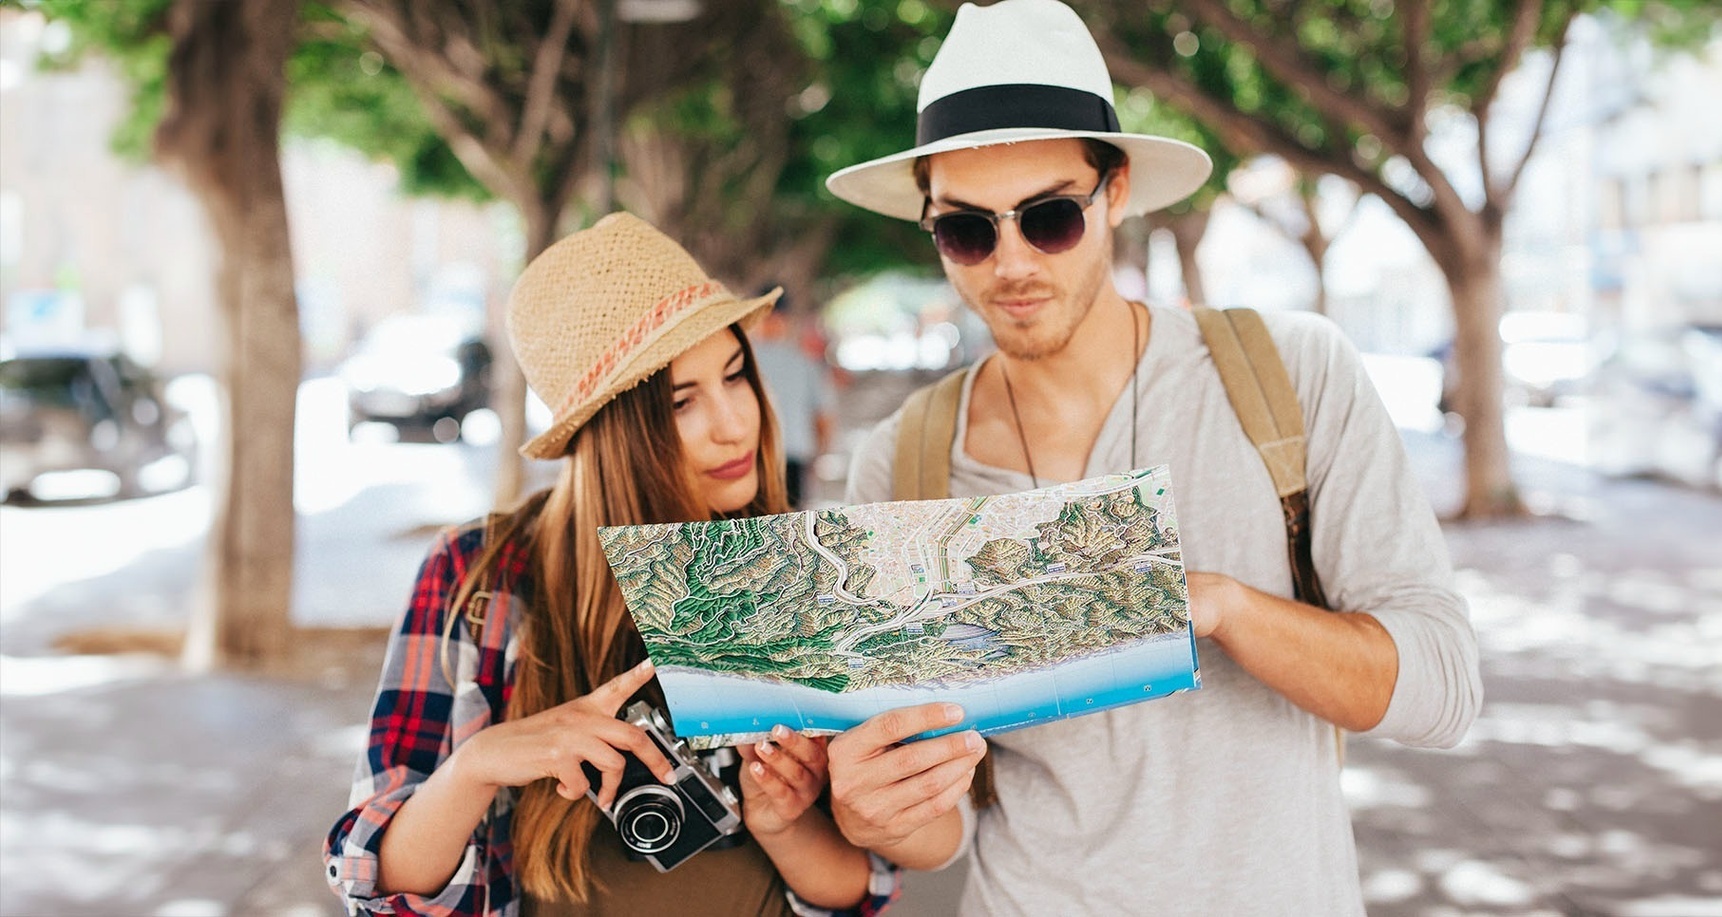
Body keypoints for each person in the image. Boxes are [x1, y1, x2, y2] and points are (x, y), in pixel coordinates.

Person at [819, 1, 1482, 913]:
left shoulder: (1289, 374)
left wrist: (1222, 604)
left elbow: (1443, 688)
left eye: (1049, 217)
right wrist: (873, 808)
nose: (1008, 264)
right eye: (966, 230)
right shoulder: (903, 464)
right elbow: (948, 829)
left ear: (1115, 189)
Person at [324, 213, 928, 916]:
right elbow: (375, 887)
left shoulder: (799, 567)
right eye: (681, 401)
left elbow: (864, 888)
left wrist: (784, 822)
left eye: (735, 376)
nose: (735, 421)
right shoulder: (480, 576)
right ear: (608, 433)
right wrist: (479, 763)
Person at [749, 287, 837, 508]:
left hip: (754, 458)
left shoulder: (742, 361)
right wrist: (819, 457)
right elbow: (824, 417)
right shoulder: (805, 362)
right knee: (790, 529)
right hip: (792, 458)